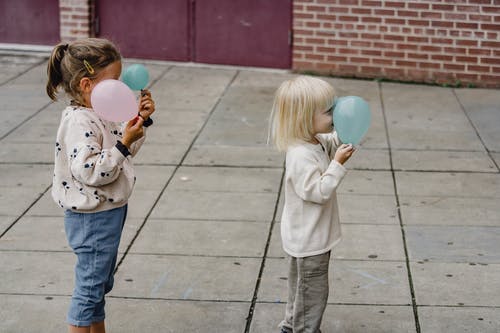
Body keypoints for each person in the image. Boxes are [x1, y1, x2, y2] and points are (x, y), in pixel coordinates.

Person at [46, 38, 155, 333]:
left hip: (107, 211)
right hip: (92, 218)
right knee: (89, 291)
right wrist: (123, 144)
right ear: (85, 85)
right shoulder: (79, 123)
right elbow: (92, 171)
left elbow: (123, 148)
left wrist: (139, 122)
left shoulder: (99, 112)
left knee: (99, 285)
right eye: (115, 81)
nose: (121, 89)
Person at [268, 75, 354, 333]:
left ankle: (290, 325)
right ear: (306, 118)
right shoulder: (300, 155)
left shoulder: (312, 140)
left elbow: (331, 141)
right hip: (309, 240)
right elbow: (317, 192)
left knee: (301, 289)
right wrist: (337, 164)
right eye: (329, 112)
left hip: (307, 236)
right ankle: (303, 329)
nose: (333, 115)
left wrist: (348, 130)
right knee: (313, 294)